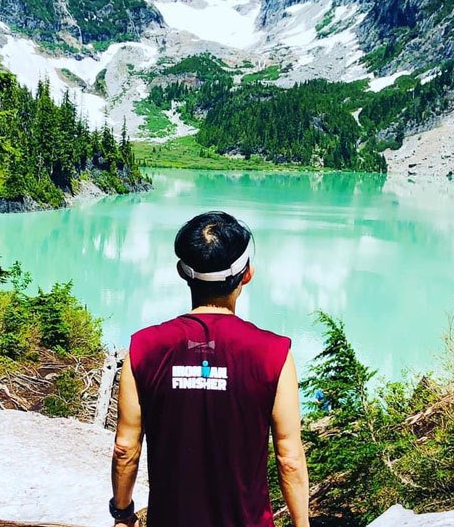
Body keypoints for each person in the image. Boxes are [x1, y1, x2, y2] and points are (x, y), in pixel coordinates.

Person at [110, 211, 309, 527]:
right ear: (247, 274)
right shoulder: (274, 354)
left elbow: (125, 448)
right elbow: (290, 459)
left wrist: (123, 515)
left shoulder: (145, 348)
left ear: (182, 272)